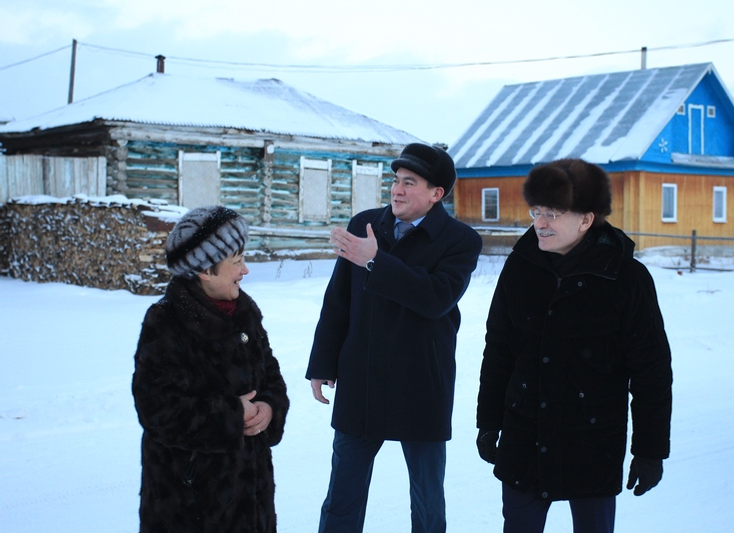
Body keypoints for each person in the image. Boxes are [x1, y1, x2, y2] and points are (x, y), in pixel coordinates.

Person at [476, 159, 672, 533]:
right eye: (536, 211)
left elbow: (651, 372)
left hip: (592, 444)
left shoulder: (626, 278)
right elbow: (499, 348)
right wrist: (488, 422)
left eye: (552, 213)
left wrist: (650, 451)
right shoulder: (520, 267)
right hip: (525, 438)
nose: (540, 223)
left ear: (586, 219)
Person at [306, 143, 483, 533]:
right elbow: (338, 300)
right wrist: (322, 363)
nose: (397, 190)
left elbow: (435, 298)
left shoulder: (460, 240)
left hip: (422, 383)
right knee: (343, 494)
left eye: (409, 182)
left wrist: (375, 260)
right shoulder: (365, 225)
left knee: (427, 501)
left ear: (436, 193)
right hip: (362, 379)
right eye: (396, 180)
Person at [132, 205, 290, 533]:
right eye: (236, 261)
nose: (245, 270)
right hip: (189, 502)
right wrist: (231, 416)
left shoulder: (245, 312)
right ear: (205, 269)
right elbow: (157, 408)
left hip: (251, 496)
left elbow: (271, 373)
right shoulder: (166, 322)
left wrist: (269, 408)